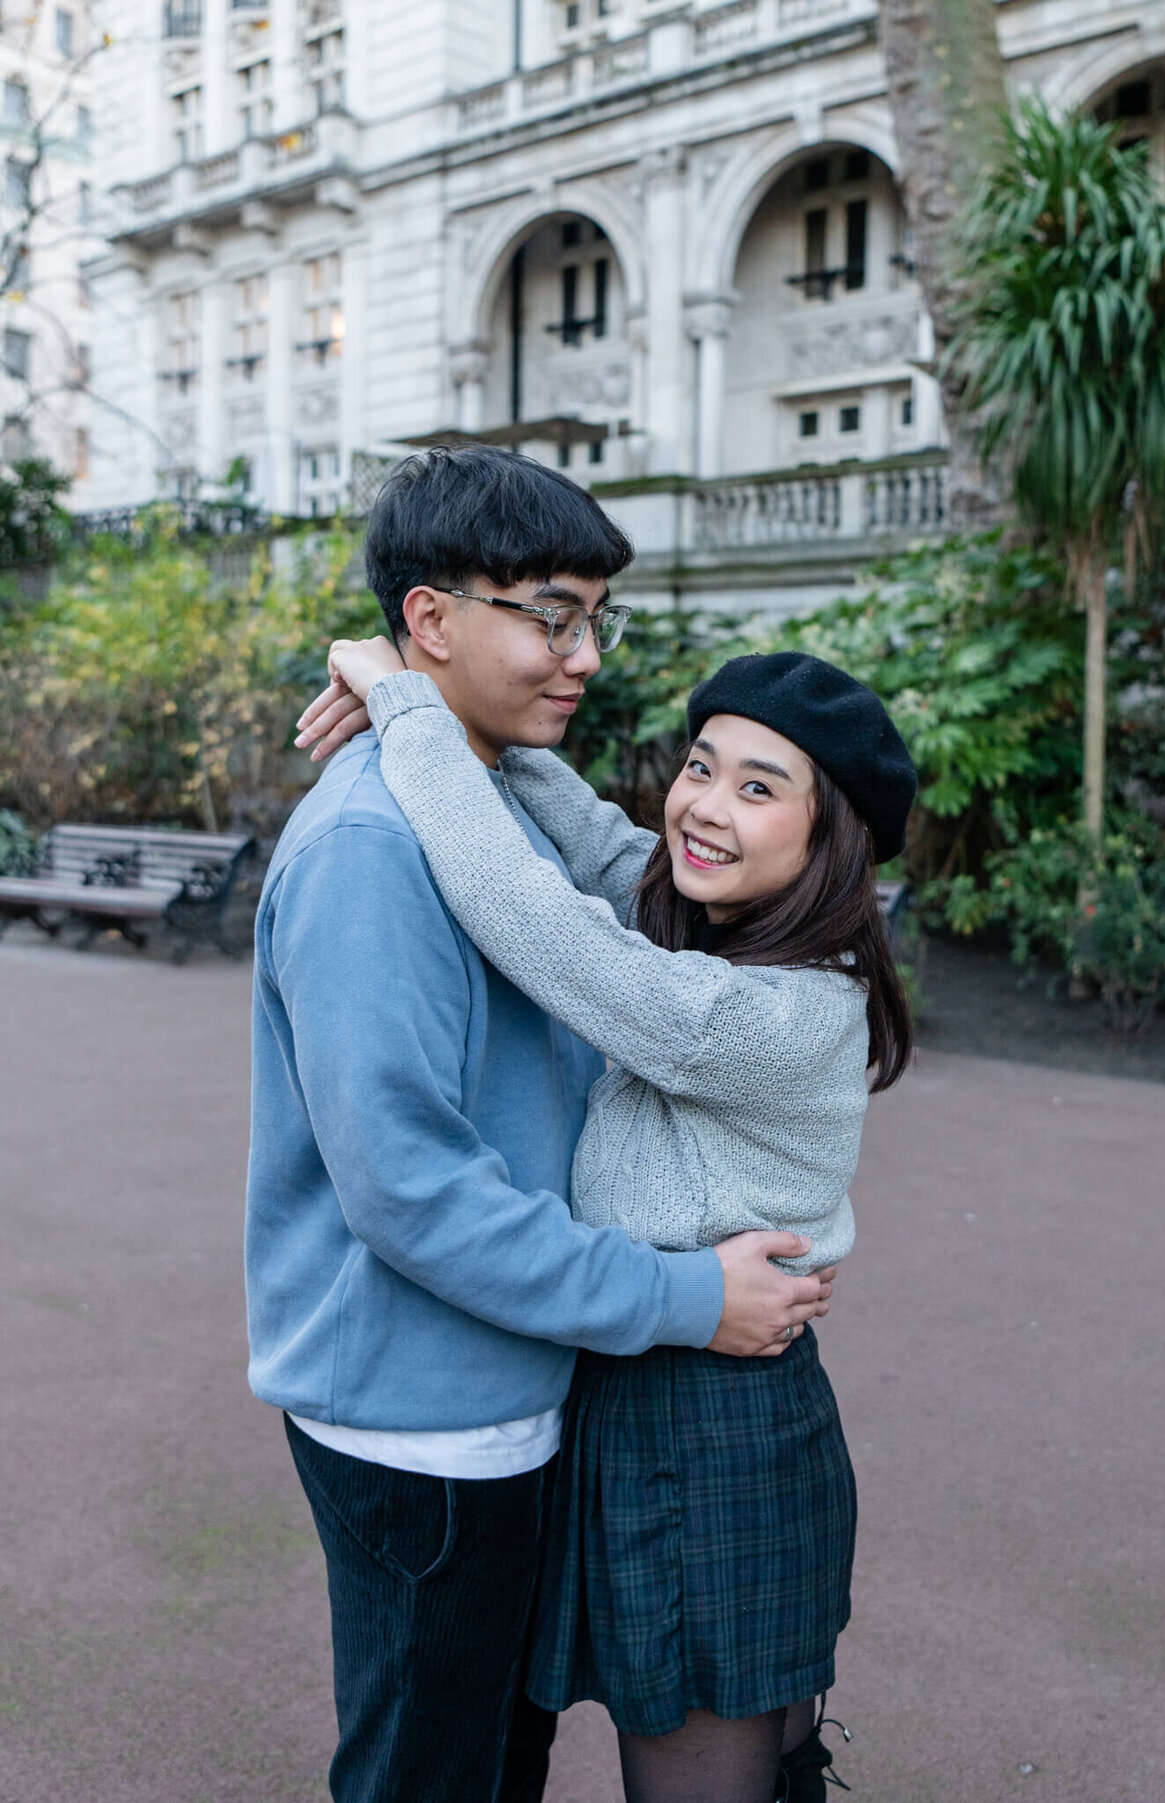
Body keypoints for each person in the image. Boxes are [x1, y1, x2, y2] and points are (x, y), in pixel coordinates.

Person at [245, 445, 838, 1803]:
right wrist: (684, 1295)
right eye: (550, 614)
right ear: (434, 622)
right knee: (429, 1773)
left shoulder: (486, 801)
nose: (583, 656)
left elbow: (605, 902)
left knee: (492, 1759)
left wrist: (396, 695)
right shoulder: (377, 850)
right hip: (423, 1419)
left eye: (594, 620)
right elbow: (411, 1193)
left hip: (503, 1392)